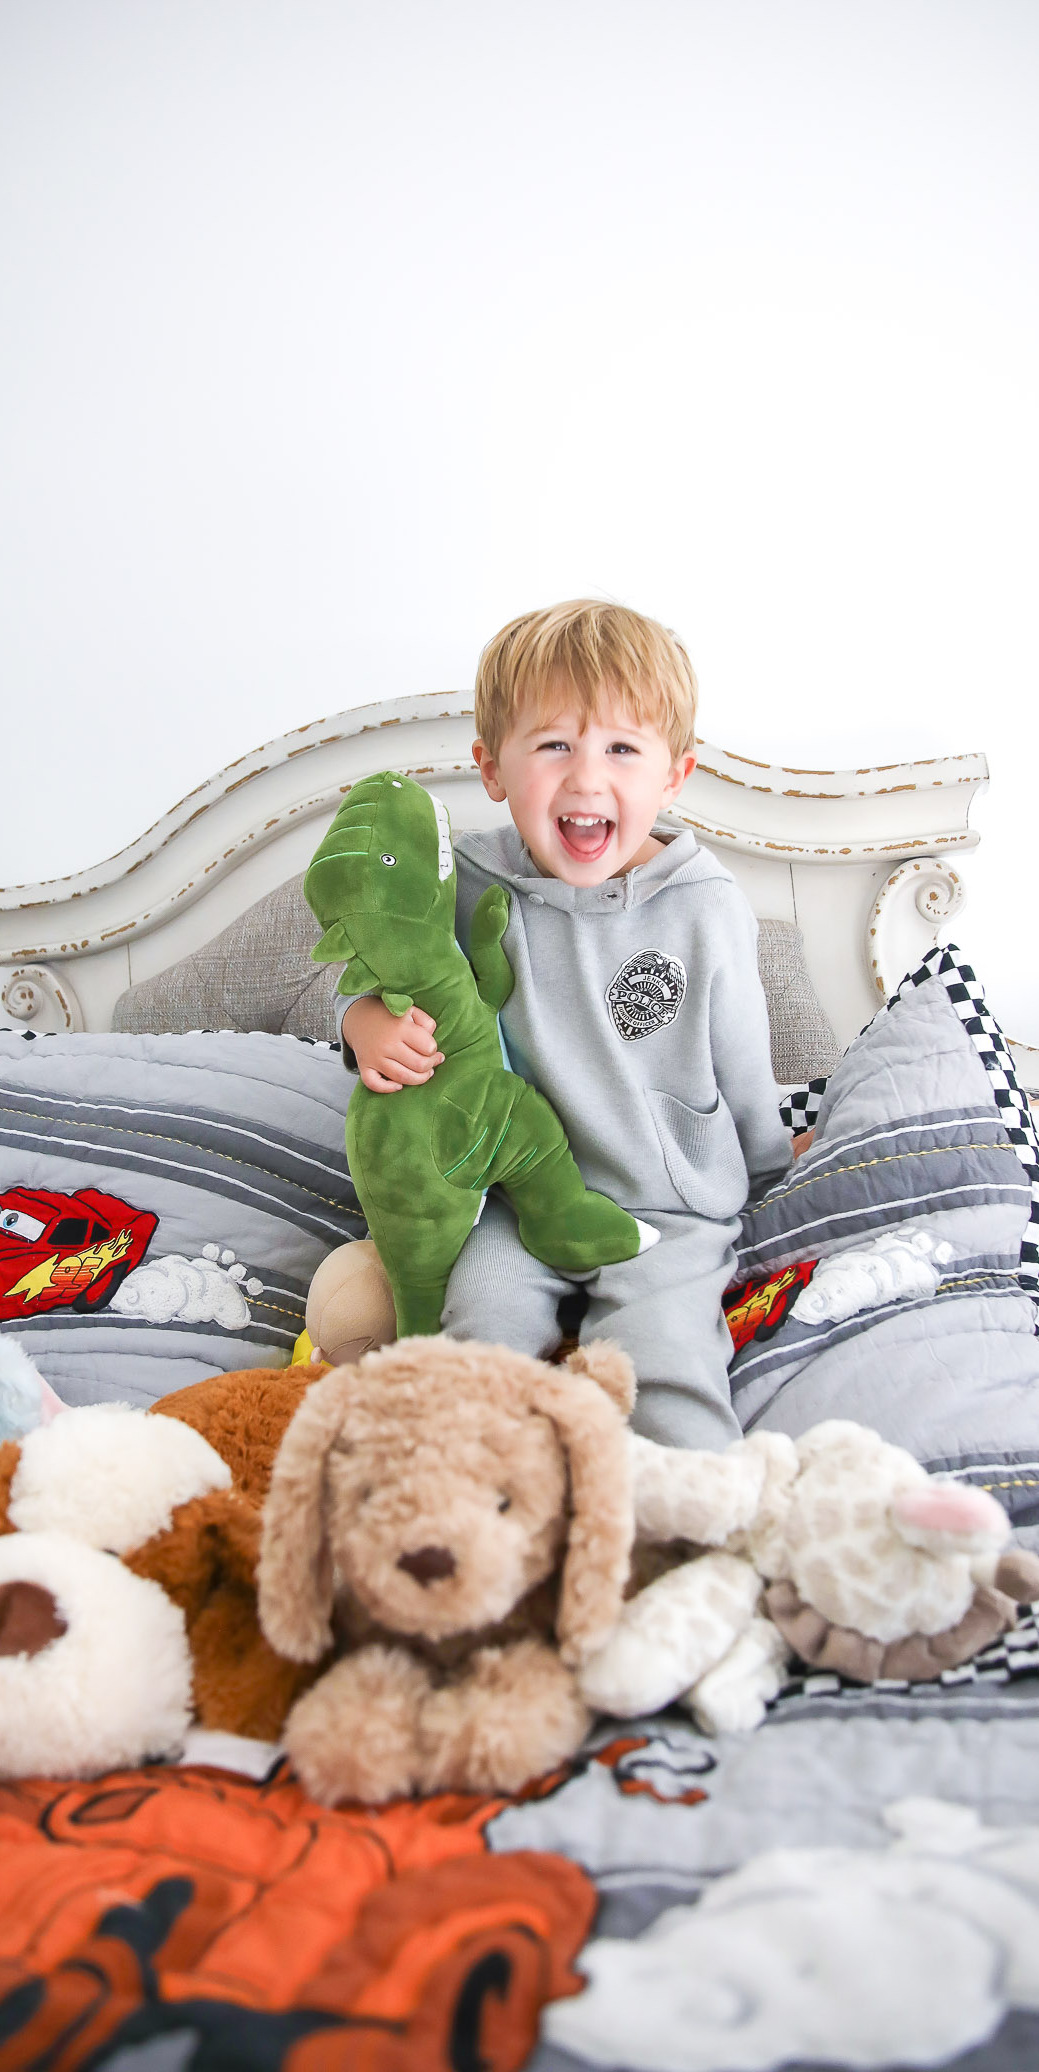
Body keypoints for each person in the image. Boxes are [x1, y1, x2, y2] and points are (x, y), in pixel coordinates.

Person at [340, 600, 791, 1449]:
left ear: (673, 776)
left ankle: (697, 1515)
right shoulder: (469, 880)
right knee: (476, 1331)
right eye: (554, 746)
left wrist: (767, 1172)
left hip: (668, 1208)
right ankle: (465, 1504)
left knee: (664, 1360)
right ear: (492, 767)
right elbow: (390, 968)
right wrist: (363, 1023)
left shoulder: (705, 906)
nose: (587, 779)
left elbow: (743, 1063)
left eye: (622, 749)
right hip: (514, 1200)